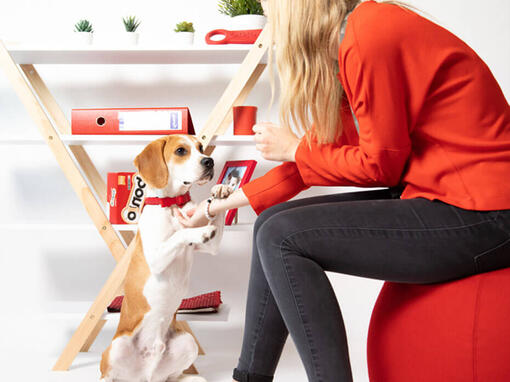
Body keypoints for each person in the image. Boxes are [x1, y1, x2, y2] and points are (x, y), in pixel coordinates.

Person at [178, 0, 510, 381]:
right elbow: (317, 161)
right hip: (446, 197)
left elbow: (381, 165)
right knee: (271, 224)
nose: (274, 24)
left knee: (283, 237)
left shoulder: (369, 31)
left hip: (488, 213)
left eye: (273, 11)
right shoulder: (351, 38)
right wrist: (213, 208)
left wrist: (296, 147)